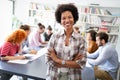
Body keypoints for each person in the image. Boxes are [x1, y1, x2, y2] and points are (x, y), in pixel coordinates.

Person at [45, 3, 86, 80]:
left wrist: (57, 60)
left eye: (70, 17)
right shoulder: (54, 36)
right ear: (60, 20)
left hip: (73, 76)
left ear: (74, 18)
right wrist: (73, 62)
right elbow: (48, 60)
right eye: (63, 18)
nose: (67, 20)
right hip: (54, 76)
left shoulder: (81, 39)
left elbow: (81, 64)